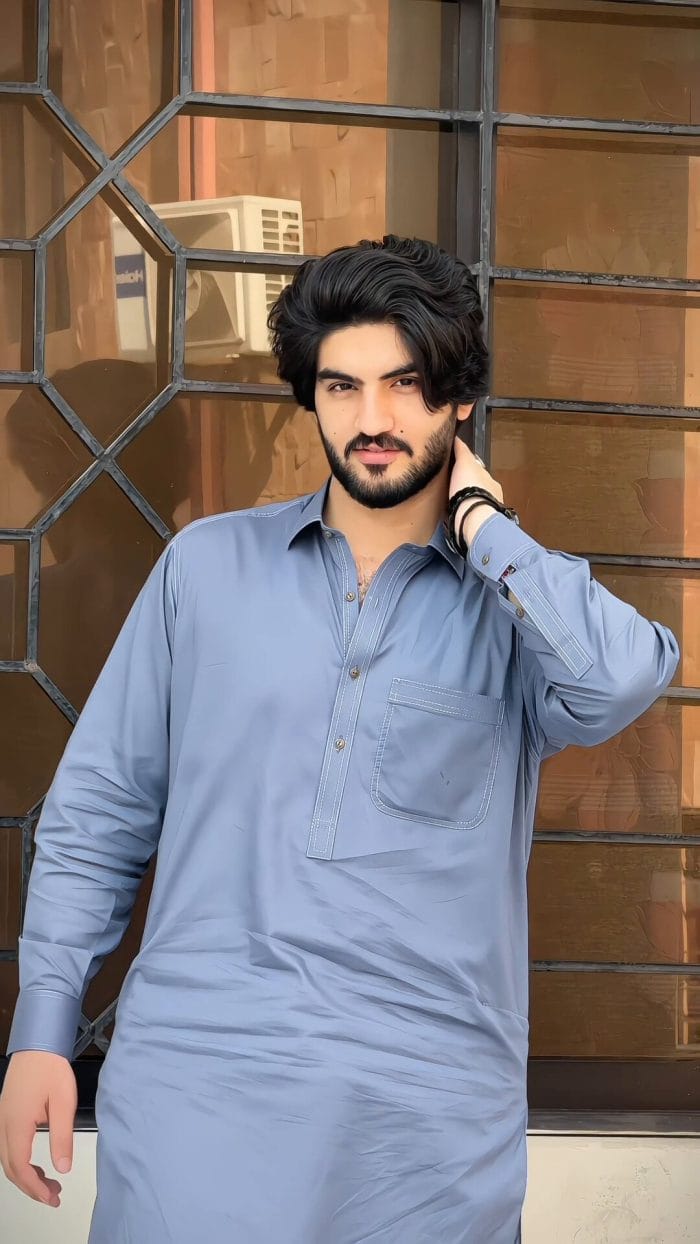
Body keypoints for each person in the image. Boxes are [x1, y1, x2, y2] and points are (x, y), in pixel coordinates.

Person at [0, 236, 679, 1243]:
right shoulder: (206, 569)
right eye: (341, 386)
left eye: (406, 385)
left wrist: (484, 525)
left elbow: (621, 678)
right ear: (311, 399)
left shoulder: (515, 611)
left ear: (459, 400)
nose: (372, 420)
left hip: (424, 1139)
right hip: (197, 1097)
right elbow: (100, 811)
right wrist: (42, 1031)